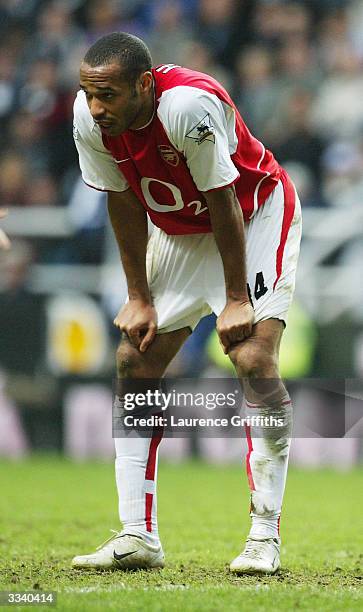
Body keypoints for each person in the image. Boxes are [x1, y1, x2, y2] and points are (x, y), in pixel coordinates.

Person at [71, 32, 302, 575]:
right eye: (88, 93)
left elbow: (224, 198)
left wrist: (236, 299)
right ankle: (137, 533)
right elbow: (122, 198)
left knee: (252, 359)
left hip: (253, 215)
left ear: (145, 86)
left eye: (108, 94)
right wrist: (138, 296)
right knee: (135, 357)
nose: (96, 106)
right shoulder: (90, 119)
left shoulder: (188, 105)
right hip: (179, 229)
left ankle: (263, 535)